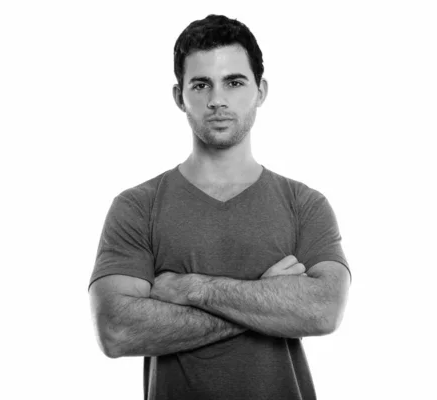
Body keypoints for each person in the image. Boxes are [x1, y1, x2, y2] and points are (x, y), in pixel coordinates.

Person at [88, 14, 351, 400]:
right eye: (201, 85)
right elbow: (116, 330)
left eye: (234, 82)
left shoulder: (305, 204)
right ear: (180, 97)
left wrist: (192, 288)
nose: (217, 100)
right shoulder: (137, 206)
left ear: (260, 91)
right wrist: (268, 300)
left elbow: (324, 310)